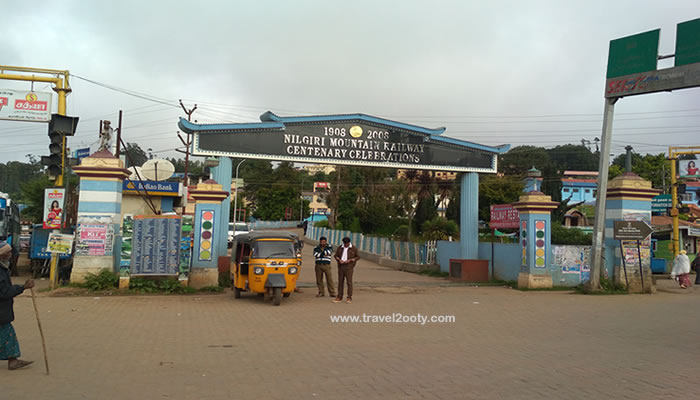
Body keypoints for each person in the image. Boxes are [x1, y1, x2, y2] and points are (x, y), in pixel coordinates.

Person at [0, 242, 35, 370]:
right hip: (1, 311)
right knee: (8, 334)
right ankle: (12, 360)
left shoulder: (3, 269)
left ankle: (12, 359)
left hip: (3, 311)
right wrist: (22, 287)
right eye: (8, 253)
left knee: (7, 334)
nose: (11, 255)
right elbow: (4, 292)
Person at [333, 237, 359, 304]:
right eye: (344, 243)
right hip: (341, 266)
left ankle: (349, 297)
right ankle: (339, 296)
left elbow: (358, 256)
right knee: (340, 282)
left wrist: (351, 260)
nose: (345, 245)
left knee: (349, 282)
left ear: (349, 243)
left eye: (346, 243)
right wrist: (339, 259)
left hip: (349, 267)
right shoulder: (340, 248)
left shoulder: (353, 248)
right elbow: (335, 256)